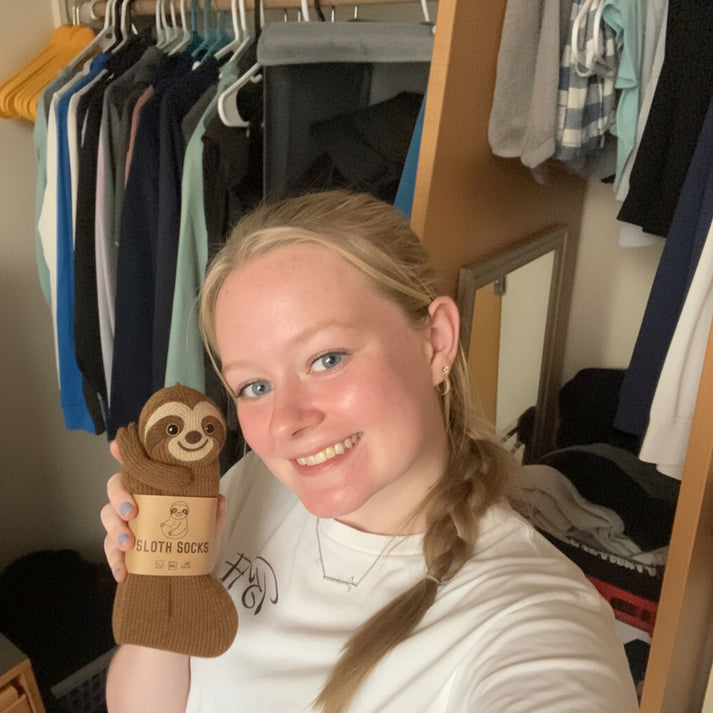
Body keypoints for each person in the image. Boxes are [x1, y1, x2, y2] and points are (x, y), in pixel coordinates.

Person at [101, 190, 639, 713]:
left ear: (437, 340)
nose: (286, 422)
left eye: (327, 359)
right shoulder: (251, 486)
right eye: (255, 387)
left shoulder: (532, 622)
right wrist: (167, 580)